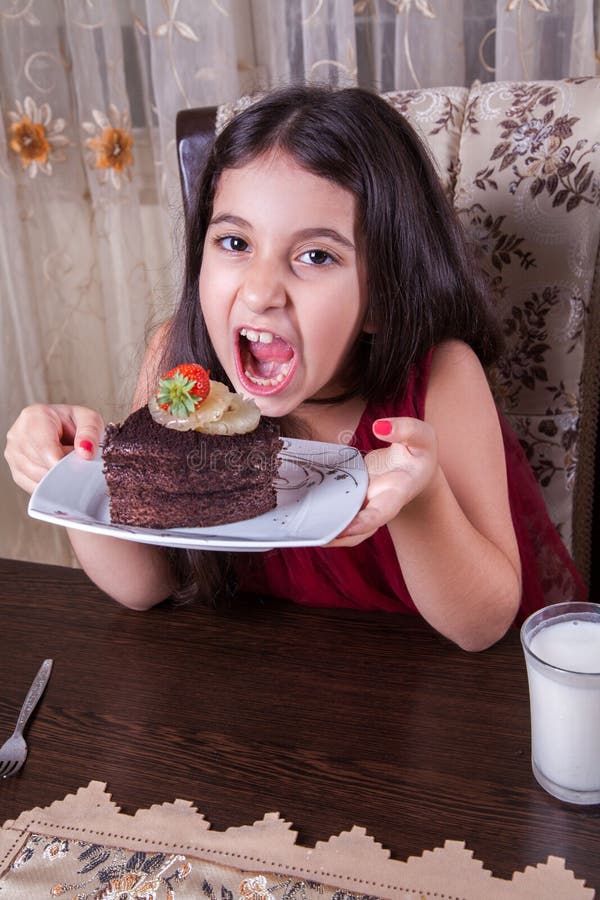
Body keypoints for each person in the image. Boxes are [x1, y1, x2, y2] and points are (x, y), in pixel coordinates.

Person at [4, 84, 585, 652]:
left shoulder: (439, 381)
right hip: (249, 701)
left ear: (381, 298)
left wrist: (421, 495)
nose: (260, 292)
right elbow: (145, 586)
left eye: (315, 255)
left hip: (413, 708)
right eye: (234, 243)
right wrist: (71, 474)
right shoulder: (179, 368)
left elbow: (481, 625)